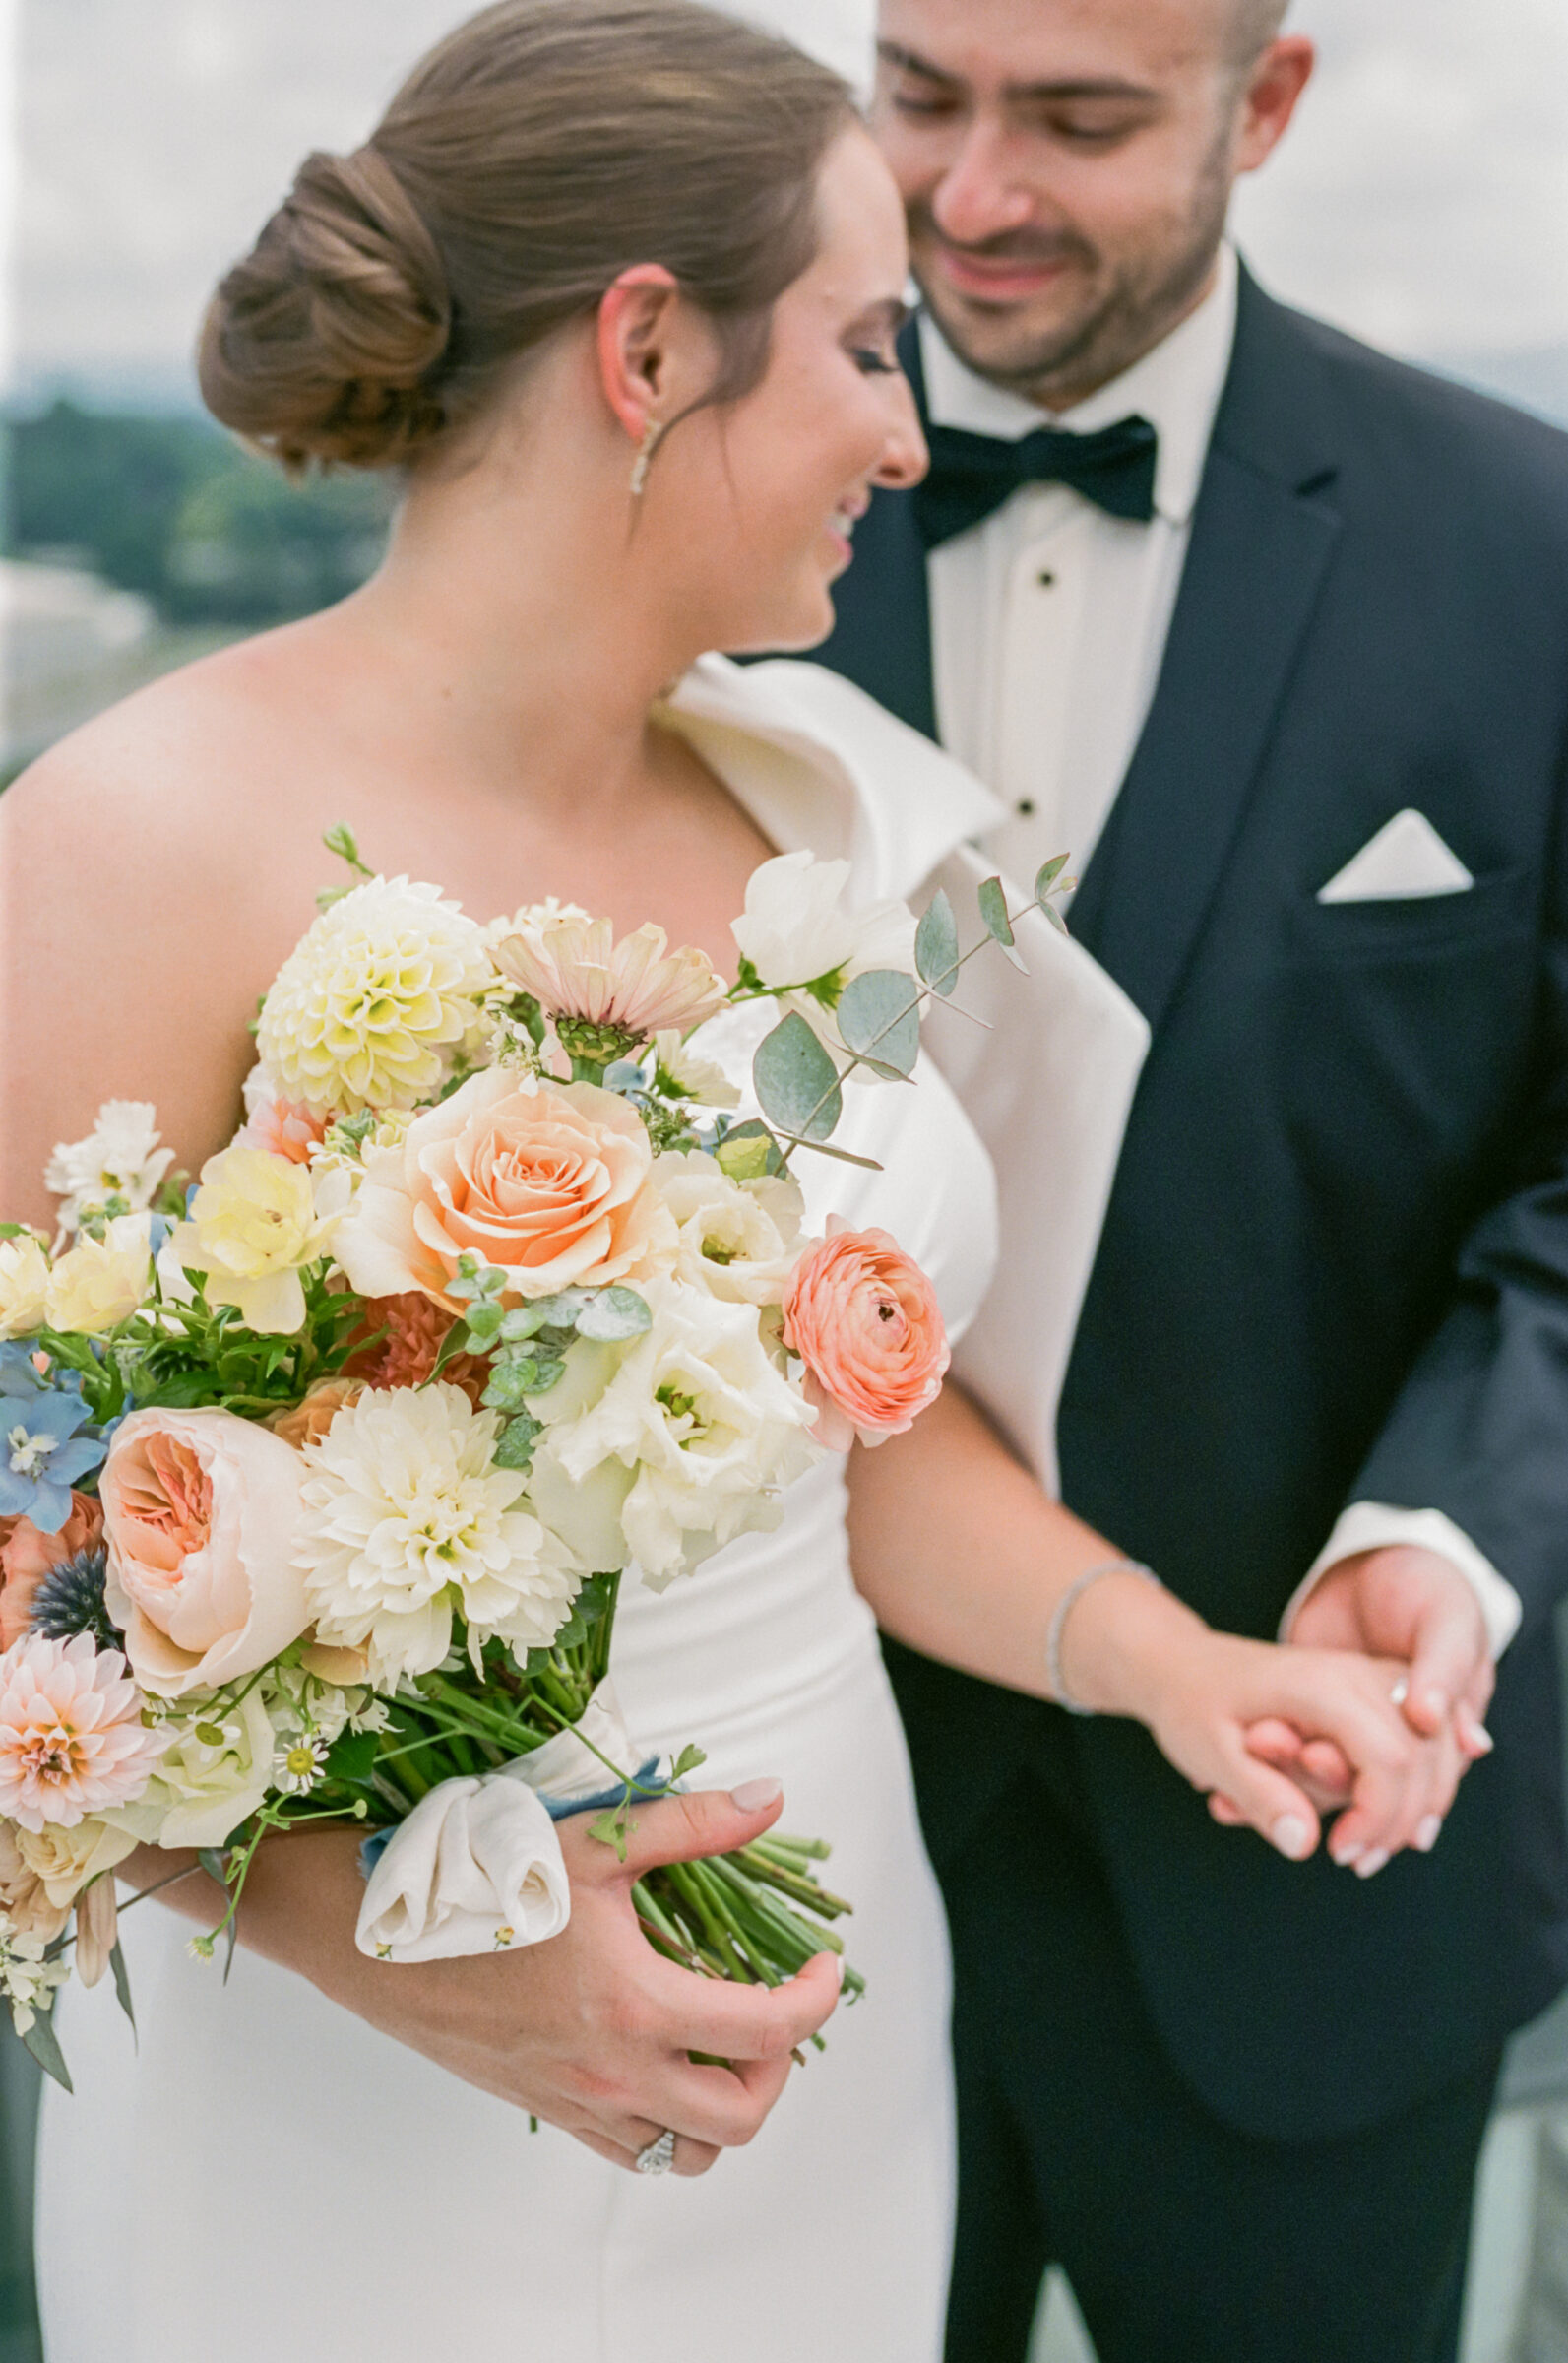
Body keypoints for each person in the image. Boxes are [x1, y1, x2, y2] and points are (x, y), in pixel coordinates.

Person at [0, 5, 1455, 2357]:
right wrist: (412, 1943)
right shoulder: (120, 851)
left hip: (834, 2038)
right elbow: (18, 1608)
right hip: (361, 2125)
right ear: (650, 348)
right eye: (866, 346)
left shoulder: (830, 815)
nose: (907, 423)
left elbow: (827, 1444)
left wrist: (1161, 1657)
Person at [814, 1, 1568, 2358]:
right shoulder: (695, 517)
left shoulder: (1522, 544)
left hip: (1313, 1881)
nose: (966, 191)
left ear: (1263, 106)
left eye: (1076, 118)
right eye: (917, 94)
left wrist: (1444, 1526)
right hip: (767, 1862)